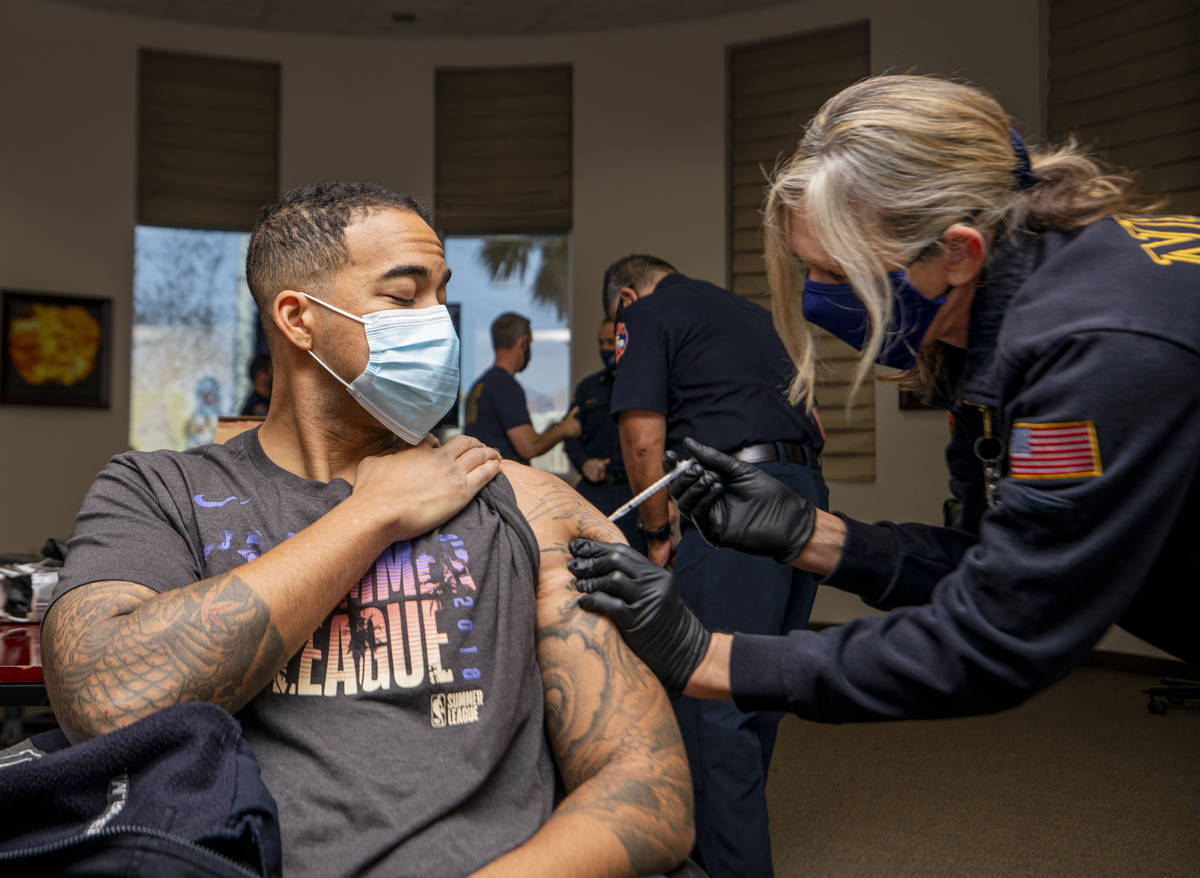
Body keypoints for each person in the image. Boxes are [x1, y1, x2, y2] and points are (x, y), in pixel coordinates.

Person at [40, 182, 695, 878]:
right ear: (298, 319)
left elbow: (649, 790)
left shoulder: (520, 500)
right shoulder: (163, 490)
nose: (438, 322)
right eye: (405, 296)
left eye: (441, 295)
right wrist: (369, 515)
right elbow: (104, 699)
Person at [569, 74, 1200, 727]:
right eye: (809, 269)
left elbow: (1003, 631)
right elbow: (990, 563)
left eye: (840, 273)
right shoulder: (1003, 323)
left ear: (957, 252)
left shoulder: (1099, 344)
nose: (817, 302)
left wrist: (703, 657)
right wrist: (813, 534)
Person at [603, 254, 828, 878]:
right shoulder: (757, 319)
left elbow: (642, 434)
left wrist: (655, 535)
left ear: (626, 295)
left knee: (713, 700)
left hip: (734, 504)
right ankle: (733, 841)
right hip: (802, 497)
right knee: (761, 685)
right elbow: (818, 428)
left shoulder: (645, 313)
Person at [563, 317, 646, 554]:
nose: (605, 349)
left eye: (610, 342)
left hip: (634, 492)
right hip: (596, 492)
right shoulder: (588, 388)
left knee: (636, 561)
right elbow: (571, 435)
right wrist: (584, 463)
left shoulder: (643, 384)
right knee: (591, 558)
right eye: (601, 343)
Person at [463, 312, 581, 465]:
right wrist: (565, 429)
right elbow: (529, 447)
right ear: (523, 343)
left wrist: (547, 435)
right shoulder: (504, 385)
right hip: (504, 481)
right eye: (529, 343)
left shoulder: (479, 386)